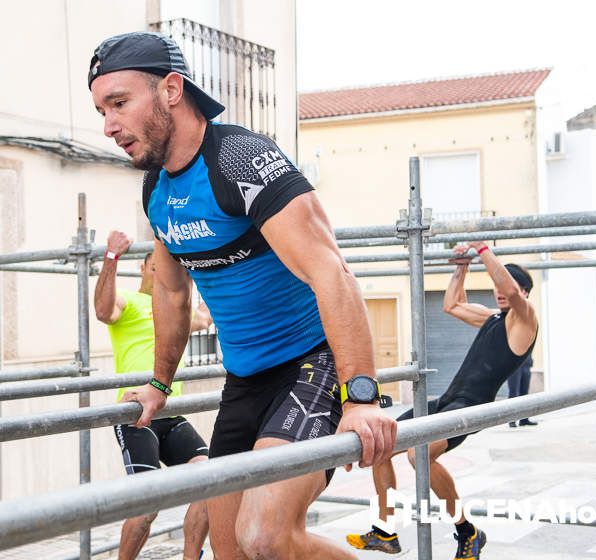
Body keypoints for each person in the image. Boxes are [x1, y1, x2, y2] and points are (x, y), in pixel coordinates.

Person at [89, 31, 396, 560]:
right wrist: (159, 384)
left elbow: (332, 273)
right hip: (245, 379)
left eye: (119, 103)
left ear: (170, 89)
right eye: (101, 109)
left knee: (266, 536)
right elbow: (170, 290)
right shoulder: (155, 188)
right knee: (229, 550)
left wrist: (362, 398)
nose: (109, 124)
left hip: (311, 363)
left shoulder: (241, 160)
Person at [346, 243, 538, 560]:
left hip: (471, 407)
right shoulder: (493, 317)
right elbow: (452, 305)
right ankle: (385, 531)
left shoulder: (525, 319)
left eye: (510, 288)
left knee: (419, 453)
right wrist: (461, 268)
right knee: (382, 446)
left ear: (525, 292)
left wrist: (482, 250)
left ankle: (467, 532)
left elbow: (512, 293)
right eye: (498, 288)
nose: (502, 293)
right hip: (447, 399)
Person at [95, 230, 212, 560]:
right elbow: (104, 311)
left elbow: (205, 316)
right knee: (148, 505)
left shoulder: (178, 309)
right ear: (144, 269)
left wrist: (200, 264)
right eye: (157, 264)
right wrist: (111, 257)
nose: (164, 269)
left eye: (170, 265)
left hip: (171, 414)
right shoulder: (130, 303)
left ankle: (192, 557)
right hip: (136, 416)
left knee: (212, 479)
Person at [507, 355, 537, 427]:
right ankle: (512, 420)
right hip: (514, 366)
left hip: (526, 364)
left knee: (524, 393)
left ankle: (524, 419)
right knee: (514, 393)